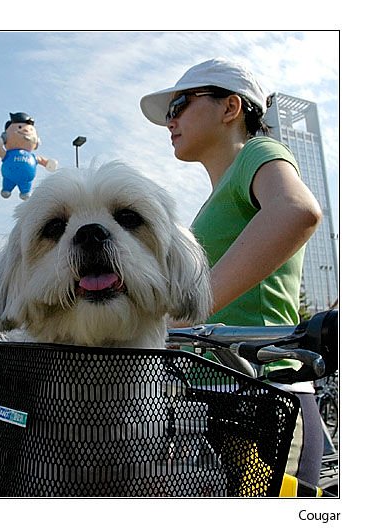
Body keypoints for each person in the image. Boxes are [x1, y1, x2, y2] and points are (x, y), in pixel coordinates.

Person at [140, 58, 324, 486]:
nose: (171, 120)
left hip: (263, 395)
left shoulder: (258, 152)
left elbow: (296, 210)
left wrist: (193, 308)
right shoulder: (211, 204)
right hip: (220, 393)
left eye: (180, 104)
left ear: (230, 109)